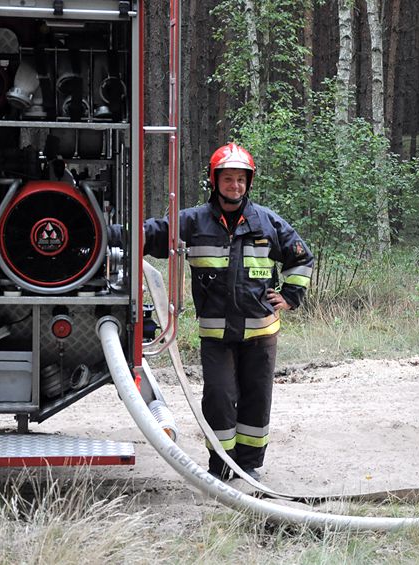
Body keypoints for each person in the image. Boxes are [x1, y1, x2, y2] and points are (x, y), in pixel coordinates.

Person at [125, 142, 314, 481]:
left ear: (249, 183)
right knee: (219, 397)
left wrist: (290, 296)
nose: (235, 186)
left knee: (256, 400)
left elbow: (302, 257)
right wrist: (119, 235)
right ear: (215, 181)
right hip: (217, 336)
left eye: (241, 180)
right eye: (228, 179)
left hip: (261, 334)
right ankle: (221, 465)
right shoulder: (194, 222)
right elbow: (152, 234)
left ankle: (250, 466)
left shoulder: (267, 222)